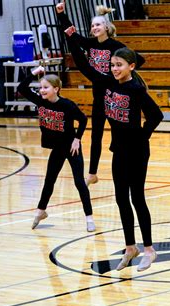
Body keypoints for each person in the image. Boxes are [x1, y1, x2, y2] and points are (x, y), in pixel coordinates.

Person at [66, 30, 164, 272]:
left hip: (138, 150)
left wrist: (142, 135)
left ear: (131, 66)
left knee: (137, 198)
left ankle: (149, 250)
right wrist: (70, 36)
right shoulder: (108, 82)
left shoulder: (136, 89)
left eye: (119, 65)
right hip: (119, 148)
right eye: (112, 64)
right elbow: (84, 66)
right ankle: (130, 247)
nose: (114, 69)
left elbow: (156, 115)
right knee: (121, 199)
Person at [56, 0, 145, 186]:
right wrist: (61, 14)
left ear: (106, 27)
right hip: (98, 96)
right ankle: (92, 174)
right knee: (96, 134)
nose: (94, 27)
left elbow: (140, 60)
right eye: (92, 25)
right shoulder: (90, 44)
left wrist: (119, 78)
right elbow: (71, 35)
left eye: (98, 24)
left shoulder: (116, 46)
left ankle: (129, 170)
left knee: (119, 134)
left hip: (115, 97)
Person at [17, 66, 96, 232]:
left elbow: (82, 120)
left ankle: (89, 218)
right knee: (49, 180)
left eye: (45, 87)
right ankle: (41, 211)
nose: (42, 91)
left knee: (79, 182)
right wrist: (34, 72)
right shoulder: (40, 101)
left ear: (56, 89)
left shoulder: (67, 105)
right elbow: (21, 88)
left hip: (72, 148)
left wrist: (77, 139)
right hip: (57, 148)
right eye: (40, 88)